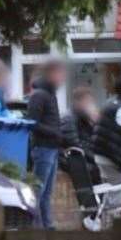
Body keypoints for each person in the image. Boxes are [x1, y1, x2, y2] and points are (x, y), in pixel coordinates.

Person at [91, 76, 121, 229]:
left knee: (109, 193)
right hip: (112, 159)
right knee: (117, 195)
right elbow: (118, 134)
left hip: (100, 156)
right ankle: (114, 231)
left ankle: (107, 228)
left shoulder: (109, 103)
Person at [27, 59, 67, 228]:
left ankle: (47, 226)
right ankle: (35, 227)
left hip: (51, 148)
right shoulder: (40, 95)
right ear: (50, 74)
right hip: (43, 149)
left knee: (47, 192)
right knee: (38, 191)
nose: (62, 77)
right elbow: (32, 122)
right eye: (59, 74)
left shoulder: (50, 94)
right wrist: (55, 133)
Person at [61, 86, 101, 185]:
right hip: (70, 159)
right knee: (95, 170)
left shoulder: (83, 118)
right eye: (87, 102)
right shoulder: (68, 119)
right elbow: (75, 145)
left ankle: (100, 199)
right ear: (78, 102)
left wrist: (95, 122)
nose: (90, 105)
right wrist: (95, 159)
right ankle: (95, 199)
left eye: (91, 102)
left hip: (81, 157)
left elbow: (94, 140)